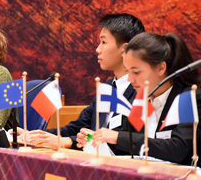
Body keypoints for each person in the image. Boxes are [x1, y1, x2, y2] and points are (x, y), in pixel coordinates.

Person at [12, 13, 145, 149]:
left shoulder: (141, 90)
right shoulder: (108, 87)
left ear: (125, 49)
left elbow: (125, 139)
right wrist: (32, 135)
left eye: (104, 42)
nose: (97, 49)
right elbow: (76, 128)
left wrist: (70, 141)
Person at [77, 32, 201, 166]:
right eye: (127, 71)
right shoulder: (143, 100)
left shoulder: (189, 98)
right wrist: (97, 139)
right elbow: (125, 144)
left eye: (136, 72)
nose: (130, 79)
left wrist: (117, 137)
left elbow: (177, 149)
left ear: (161, 68)